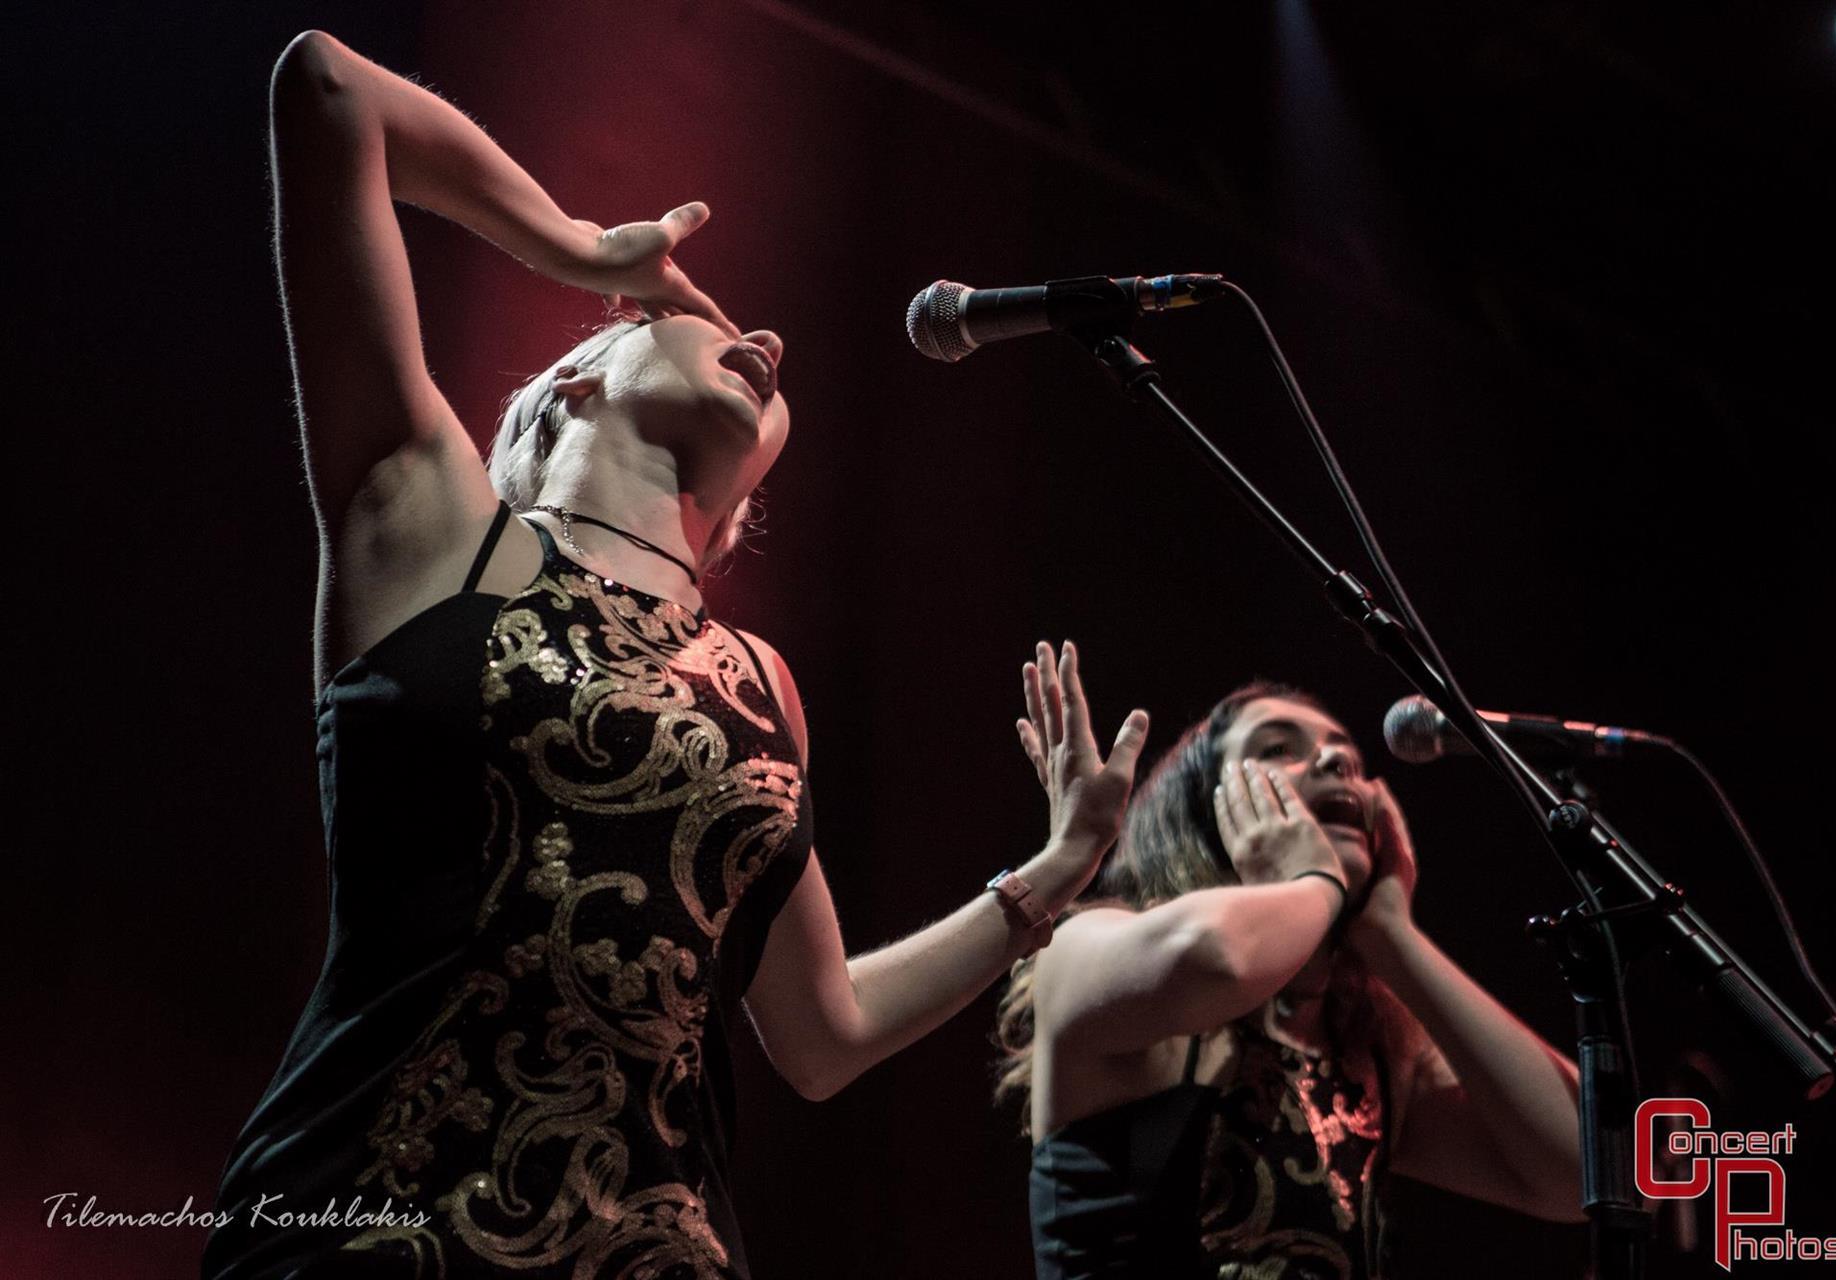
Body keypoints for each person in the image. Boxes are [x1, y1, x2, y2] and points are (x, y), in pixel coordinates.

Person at [204, 31, 1150, 1279]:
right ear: (571, 388)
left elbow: (824, 1033)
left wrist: (1056, 867)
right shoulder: (434, 527)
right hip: (377, 1222)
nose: (758, 335)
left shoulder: (757, 682)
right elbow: (324, 91)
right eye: (679, 322)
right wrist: (585, 248)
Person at [997, 670, 1585, 1278]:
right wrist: (1318, 881)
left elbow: (1586, 1172)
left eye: (1348, 757)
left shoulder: (1366, 1045)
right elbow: (1219, 957)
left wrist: (1393, 938)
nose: (1334, 758)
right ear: (1206, 812)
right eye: (1278, 749)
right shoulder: (1082, 949)